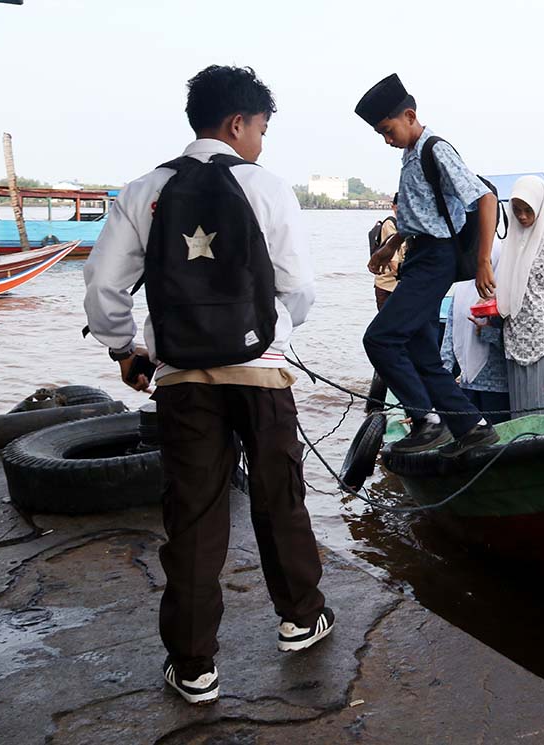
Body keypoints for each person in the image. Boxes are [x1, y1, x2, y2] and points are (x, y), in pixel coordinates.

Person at [83, 65, 330, 706]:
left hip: (182, 378)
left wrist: (124, 350)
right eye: (262, 129)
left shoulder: (146, 189)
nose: (261, 142)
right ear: (237, 123)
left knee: (193, 514)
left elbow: (103, 287)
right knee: (280, 498)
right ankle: (302, 618)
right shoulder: (267, 188)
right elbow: (299, 289)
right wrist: (268, 336)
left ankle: (193, 666)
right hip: (262, 372)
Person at [355, 73, 499, 456]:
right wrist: (391, 246)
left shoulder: (436, 149)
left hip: (435, 258)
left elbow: (484, 198)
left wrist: (484, 261)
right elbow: (422, 213)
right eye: (381, 135)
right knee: (422, 353)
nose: (387, 140)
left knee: (380, 339)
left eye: (388, 130)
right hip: (418, 253)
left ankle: (426, 421)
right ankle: (473, 427)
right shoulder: (411, 154)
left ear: (409, 114)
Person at [495, 175, 544, 419]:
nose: (523, 217)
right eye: (517, 211)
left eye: (528, 210)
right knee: (518, 394)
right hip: (515, 326)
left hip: (541, 329)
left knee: (540, 394)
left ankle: (541, 442)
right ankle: (520, 440)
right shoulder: (514, 236)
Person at [440, 247, 510, 423]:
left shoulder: (505, 294)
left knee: (497, 436)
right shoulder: (462, 289)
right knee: (470, 436)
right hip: (466, 379)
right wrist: (443, 377)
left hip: (498, 385)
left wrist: (486, 331)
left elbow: (514, 342)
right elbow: (450, 334)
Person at [364, 192, 405, 412]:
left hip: (396, 285)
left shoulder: (407, 224)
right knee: (389, 336)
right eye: (399, 206)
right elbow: (394, 259)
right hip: (388, 286)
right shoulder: (392, 225)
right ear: (393, 207)